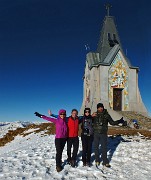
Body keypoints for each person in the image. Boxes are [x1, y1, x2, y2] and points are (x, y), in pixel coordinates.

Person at [92, 103, 127, 168]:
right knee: (96, 147)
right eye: (99, 107)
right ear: (97, 108)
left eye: (101, 107)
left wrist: (119, 121)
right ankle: (97, 159)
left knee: (104, 148)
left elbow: (112, 123)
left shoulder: (107, 115)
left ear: (103, 107)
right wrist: (91, 116)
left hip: (103, 134)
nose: (100, 108)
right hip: (96, 133)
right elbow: (89, 121)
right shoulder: (94, 114)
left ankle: (105, 162)